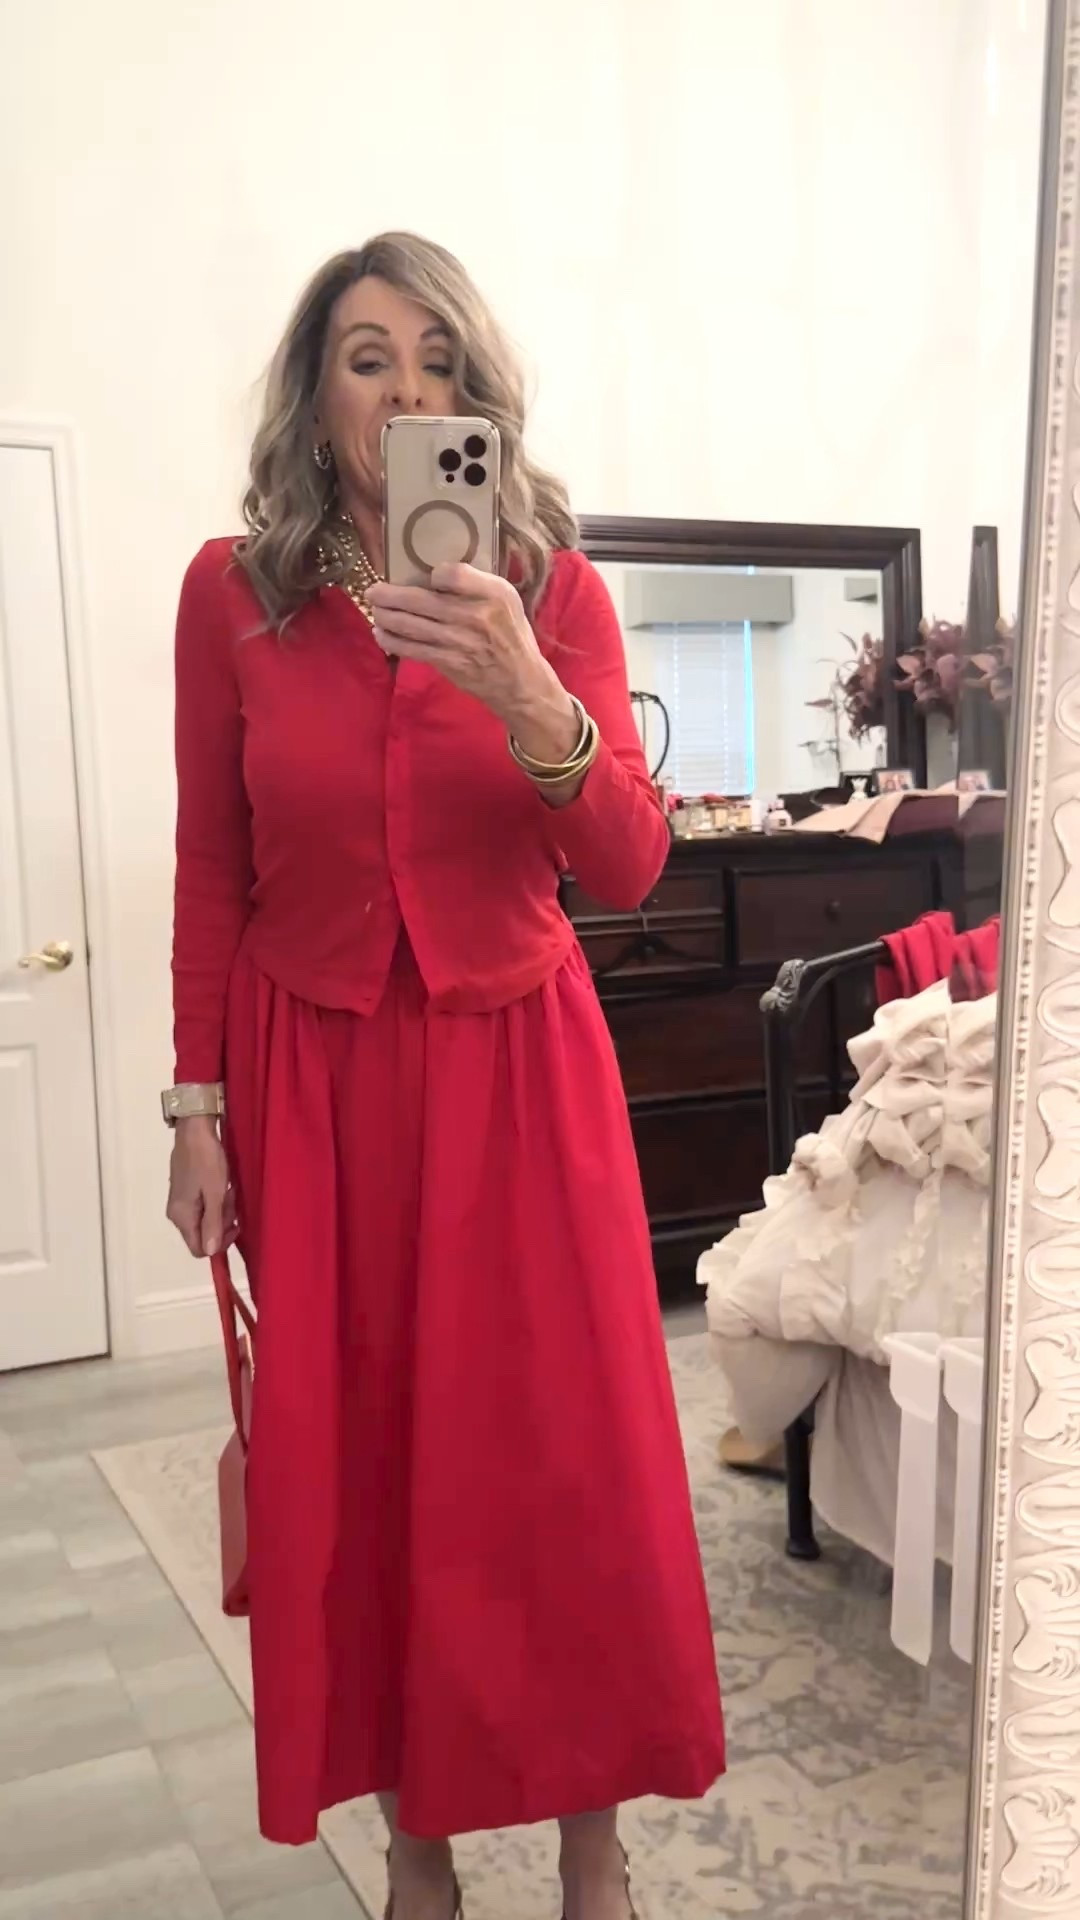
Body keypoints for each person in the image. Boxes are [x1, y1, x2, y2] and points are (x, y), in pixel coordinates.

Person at [164, 232, 725, 1920]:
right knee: (370, 1470)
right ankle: (418, 1854)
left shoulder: (556, 594)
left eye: (438, 362)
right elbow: (212, 868)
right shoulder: (234, 594)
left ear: (478, 398)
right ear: (314, 395)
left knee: (561, 1466)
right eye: (368, 358)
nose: (407, 391)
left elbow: (627, 861)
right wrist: (197, 1112)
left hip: (519, 1079)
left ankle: (592, 1853)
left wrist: (526, 689)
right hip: (315, 1089)